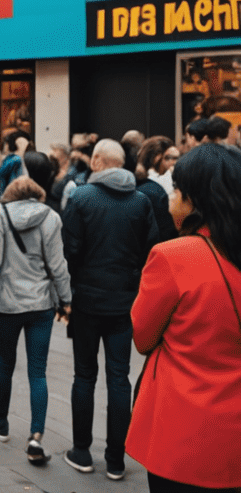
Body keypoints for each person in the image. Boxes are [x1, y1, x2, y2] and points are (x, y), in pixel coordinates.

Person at [126, 143, 241, 492]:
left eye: (175, 190)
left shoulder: (172, 256)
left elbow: (143, 338)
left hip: (183, 430)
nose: (170, 198)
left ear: (194, 200)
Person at [60, 137, 159, 477]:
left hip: (88, 299)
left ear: (99, 161)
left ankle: (82, 451)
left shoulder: (81, 197)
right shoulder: (141, 200)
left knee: (84, 375)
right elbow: (150, 249)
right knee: (120, 377)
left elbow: (69, 249)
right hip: (125, 301)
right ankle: (116, 459)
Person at [0, 174, 72, 468]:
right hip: (40, 302)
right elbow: (58, 265)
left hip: (6, 302)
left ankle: (1, 422)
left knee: (5, 363)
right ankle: (35, 437)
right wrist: (65, 300)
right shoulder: (51, 217)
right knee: (37, 371)